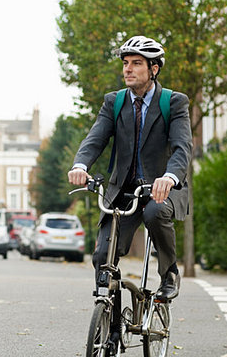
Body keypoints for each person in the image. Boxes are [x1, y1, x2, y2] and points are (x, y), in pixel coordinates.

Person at [68, 35, 192, 306]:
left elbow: (183, 148)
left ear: (154, 69)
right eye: (126, 63)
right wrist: (80, 165)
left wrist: (169, 177)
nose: (128, 69)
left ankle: (169, 273)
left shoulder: (174, 103)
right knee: (103, 258)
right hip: (123, 190)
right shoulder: (114, 102)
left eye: (137, 63)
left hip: (161, 189)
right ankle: (110, 326)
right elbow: (96, 138)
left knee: (155, 211)